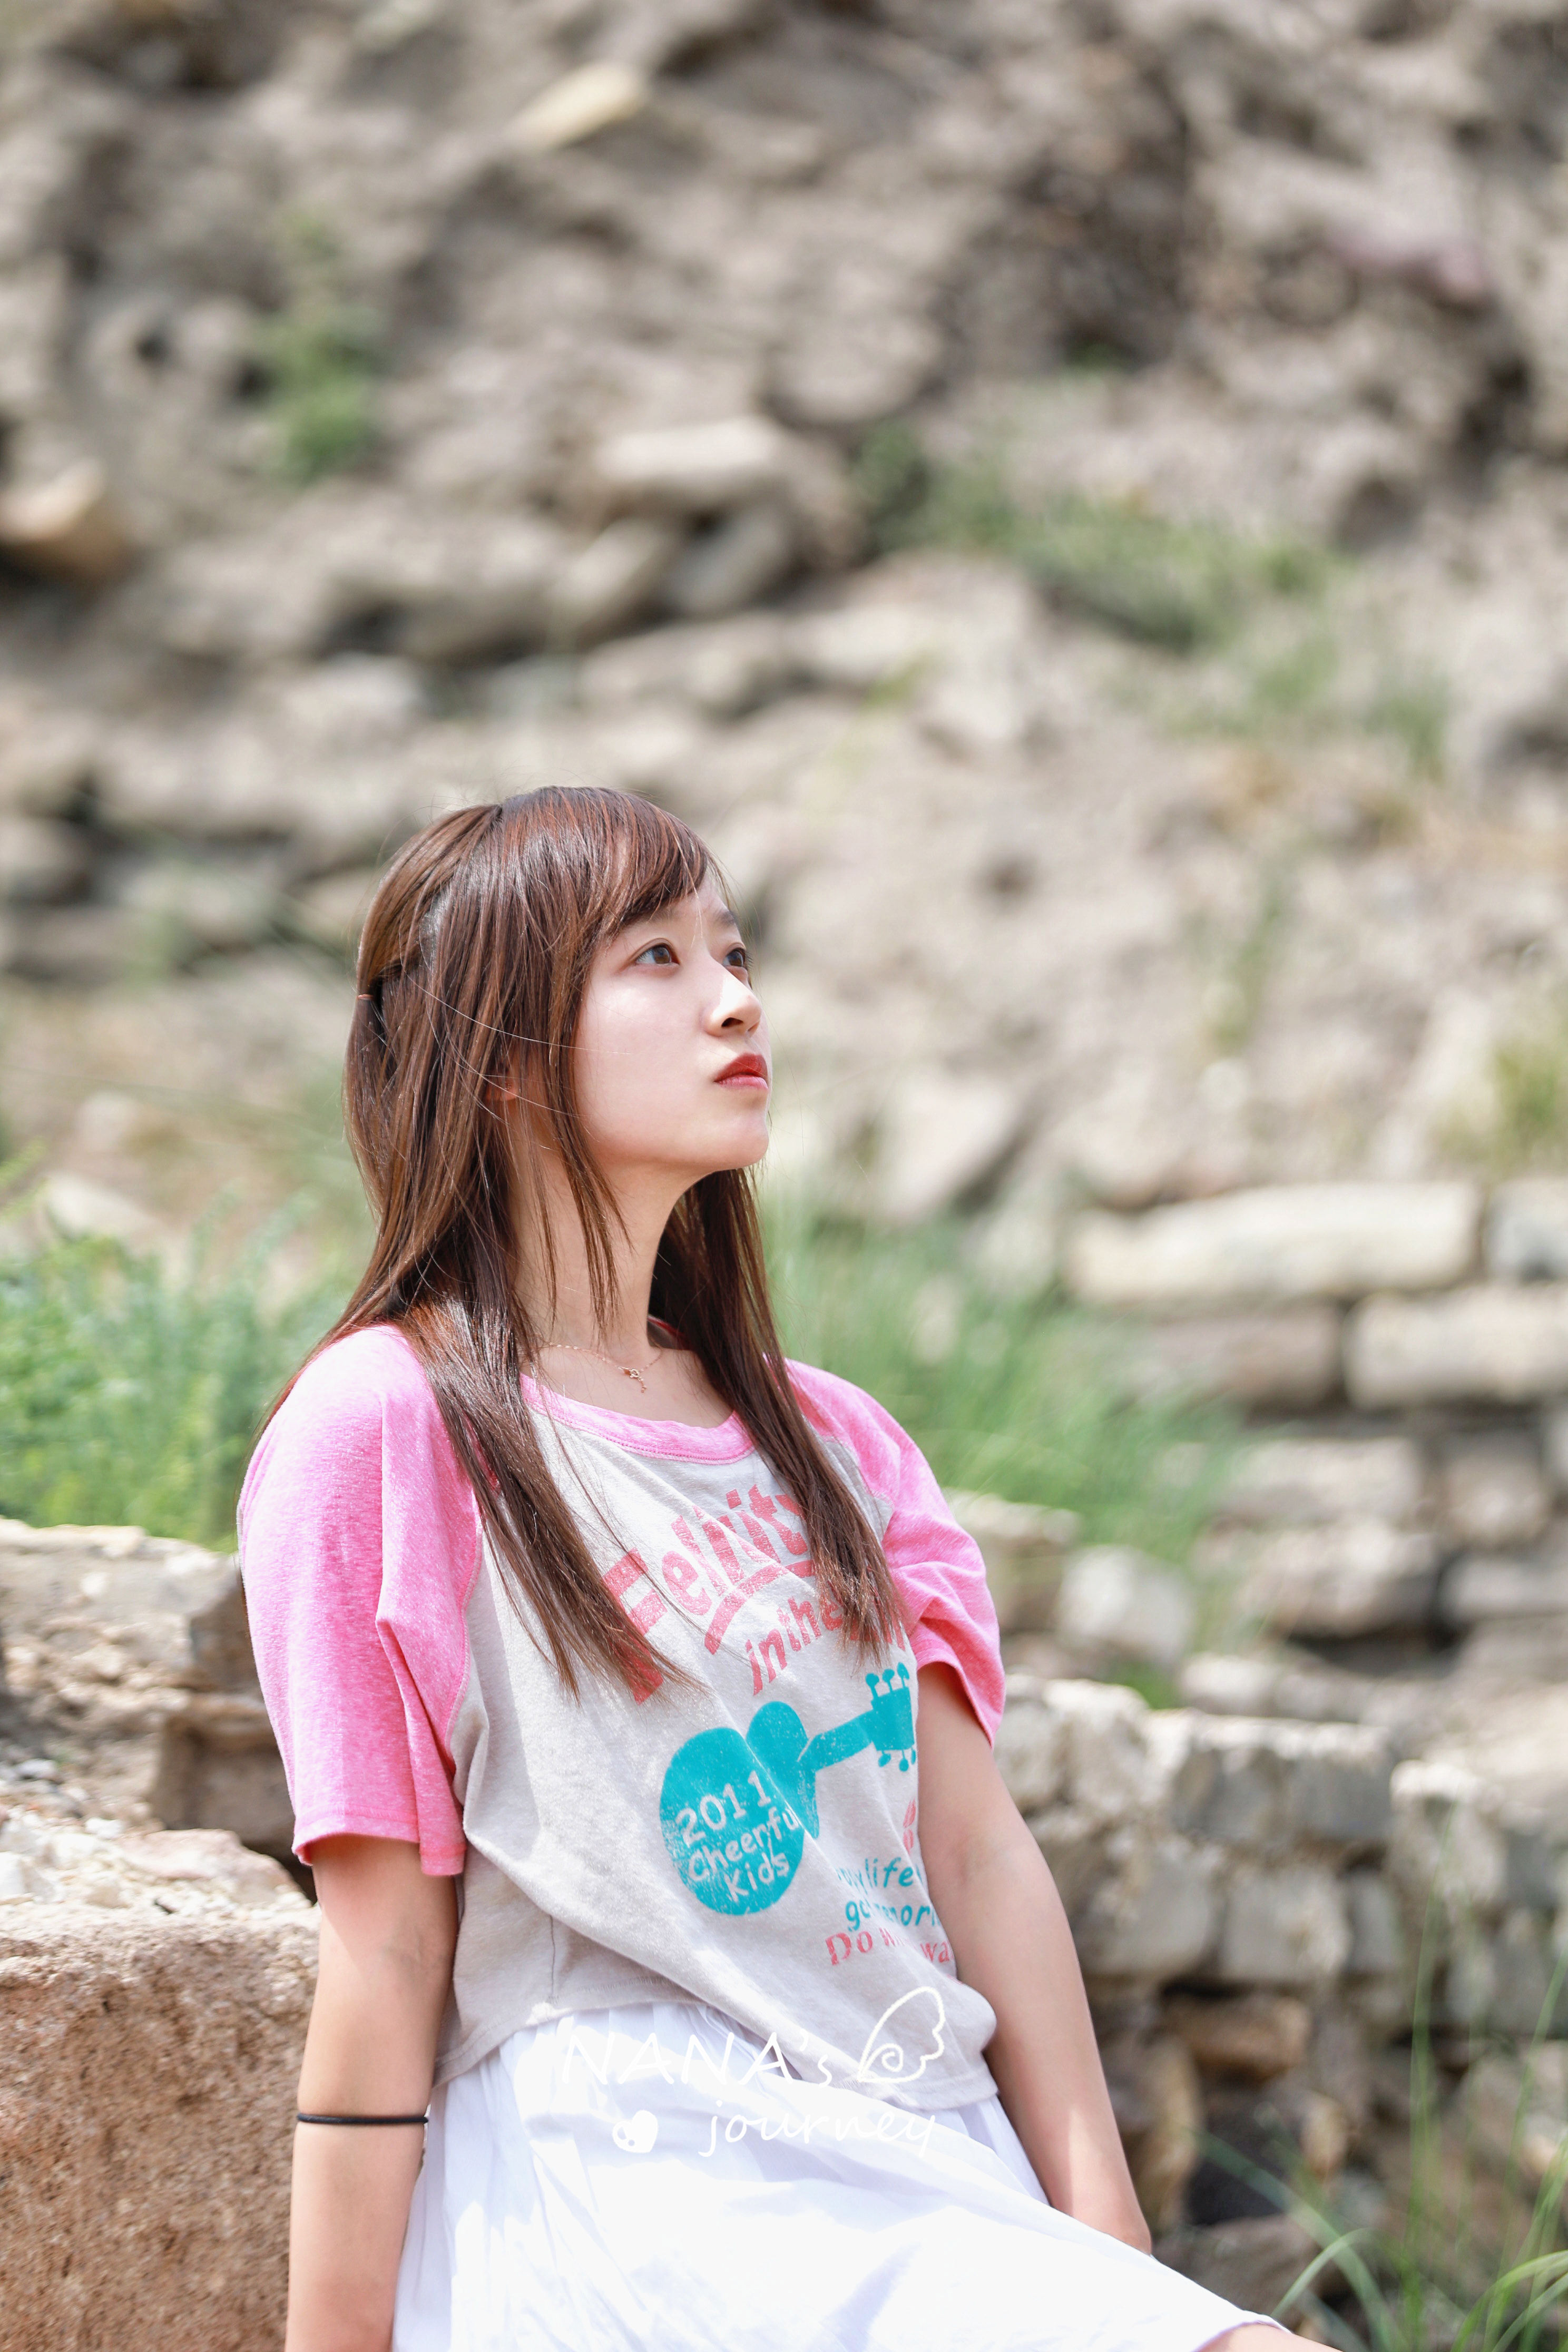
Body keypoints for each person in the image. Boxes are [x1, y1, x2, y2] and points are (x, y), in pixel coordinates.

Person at [240, 787, 1296, 2352]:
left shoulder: (838, 1441)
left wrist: (1112, 2247)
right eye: (655, 959)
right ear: (504, 1055)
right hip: (641, 2173)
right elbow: (387, 1940)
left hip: (928, 2148)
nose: (737, 1001)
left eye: (732, 952)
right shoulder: (383, 1429)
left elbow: (974, 1850)